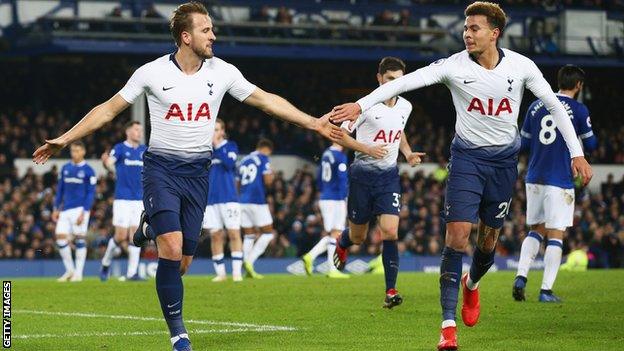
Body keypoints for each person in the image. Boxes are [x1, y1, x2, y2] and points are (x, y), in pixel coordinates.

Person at [32, 2, 341, 350]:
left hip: (198, 173)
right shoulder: (151, 73)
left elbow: (266, 100)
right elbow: (108, 109)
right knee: (173, 247)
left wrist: (313, 122)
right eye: (206, 29)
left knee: (183, 261)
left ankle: (149, 227)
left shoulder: (222, 71)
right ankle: (179, 334)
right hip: (161, 169)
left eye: (212, 29)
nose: (213, 35)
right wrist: (65, 139)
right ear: (185, 36)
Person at [329, 2, 592, 349]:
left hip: (503, 164)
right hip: (466, 159)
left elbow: (557, 107)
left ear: (494, 33)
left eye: (475, 28)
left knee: (487, 246)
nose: (467, 34)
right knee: (456, 237)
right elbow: (403, 83)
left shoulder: (521, 67)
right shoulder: (453, 66)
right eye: (465, 28)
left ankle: (472, 284)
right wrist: (361, 105)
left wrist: (577, 152)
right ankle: (447, 326)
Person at [331, 57, 425, 308]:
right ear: (379, 79)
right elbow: (340, 134)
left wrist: (407, 153)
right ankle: (343, 241)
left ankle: (391, 291)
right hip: (362, 177)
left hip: (388, 177)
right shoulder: (365, 106)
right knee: (359, 237)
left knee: (391, 231)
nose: (395, 84)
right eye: (390, 79)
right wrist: (366, 148)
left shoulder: (406, 106)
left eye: (400, 80)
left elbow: (399, 129)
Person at [513, 65, 597, 303]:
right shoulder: (579, 110)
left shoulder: (535, 106)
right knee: (556, 234)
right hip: (559, 178)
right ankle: (546, 290)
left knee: (536, 229)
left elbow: (524, 145)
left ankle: (521, 277)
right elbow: (591, 145)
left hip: (534, 176)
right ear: (578, 85)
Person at [100, 121, 147, 281]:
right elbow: (109, 163)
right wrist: (105, 162)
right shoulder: (120, 148)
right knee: (120, 236)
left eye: (140, 130)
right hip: (122, 198)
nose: (139, 133)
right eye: (136, 129)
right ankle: (106, 262)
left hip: (139, 199)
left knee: (135, 236)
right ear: (128, 131)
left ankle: (132, 273)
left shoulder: (144, 150)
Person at [202, 119, 243, 282]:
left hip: (229, 198)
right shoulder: (205, 150)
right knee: (215, 235)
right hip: (211, 200)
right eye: (212, 129)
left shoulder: (230, 146)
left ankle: (237, 273)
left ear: (222, 131)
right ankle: (220, 273)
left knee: (233, 233)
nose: (214, 133)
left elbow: (229, 163)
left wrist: (217, 146)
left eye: (217, 129)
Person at [301, 142, 350, 279]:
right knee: (336, 233)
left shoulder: (325, 154)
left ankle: (310, 256)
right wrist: (344, 197)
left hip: (325, 197)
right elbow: (342, 178)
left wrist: (323, 192)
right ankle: (332, 269)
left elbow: (319, 177)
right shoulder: (340, 156)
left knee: (331, 234)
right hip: (336, 198)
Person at [53, 141, 96, 282]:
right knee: (60, 237)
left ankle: (78, 273)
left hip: (80, 209)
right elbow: (60, 190)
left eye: (77, 151)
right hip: (65, 209)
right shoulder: (65, 168)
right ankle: (70, 270)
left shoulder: (89, 170)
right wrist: (56, 207)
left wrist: (85, 212)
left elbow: (91, 193)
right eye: (73, 151)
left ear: (83, 151)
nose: (75, 153)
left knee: (79, 239)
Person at [239, 138, 274, 279]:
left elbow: (237, 181)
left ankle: (247, 269)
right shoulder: (263, 158)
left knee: (249, 235)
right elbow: (268, 181)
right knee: (268, 233)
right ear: (267, 149)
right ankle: (249, 261)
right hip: (257, 200)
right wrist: (272, 174)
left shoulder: (244, 160)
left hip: (242, 201)